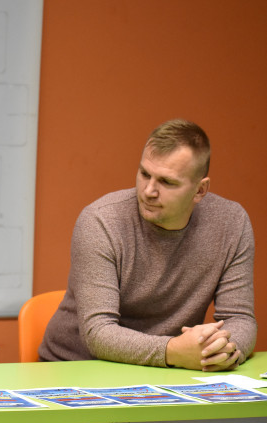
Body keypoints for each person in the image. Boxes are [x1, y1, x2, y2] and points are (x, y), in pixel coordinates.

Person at [39, 119, 256, 371]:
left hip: (170, 371)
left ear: (200, 190)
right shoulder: (101, 221)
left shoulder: (231, 223)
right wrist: (173, 350)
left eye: (167, 182)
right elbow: (98, 333)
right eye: (144, 174)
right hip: (75, 367)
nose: (148, 191)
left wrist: (220, 351)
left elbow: (239, 318)